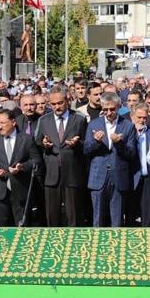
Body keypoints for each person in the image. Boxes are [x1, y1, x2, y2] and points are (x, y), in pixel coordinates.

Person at [35, 88, 88, 227]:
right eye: (53, 104)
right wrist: (44, 144)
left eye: (60, 103)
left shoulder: (79, 119)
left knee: (74, 215)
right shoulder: (44, 120)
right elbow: (37, 142)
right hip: (51, 174)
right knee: (52, 215)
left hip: (72, 173)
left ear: (67, 101)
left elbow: (87, 145)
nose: (57, 107)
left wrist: (78, 143)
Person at [83, 92, 137, 227]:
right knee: (98, 217)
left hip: (119, 175)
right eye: (105, 109)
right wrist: (96, 142)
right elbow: (86, 150)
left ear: (119, 107)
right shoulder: (94, 124)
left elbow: (131, 154)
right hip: (98, 176)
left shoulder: (128, 125)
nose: (108, 112)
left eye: (112, 109)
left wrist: (119, 143)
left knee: (117, 217)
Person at [0, 108, 42, 226]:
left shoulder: (26, 139)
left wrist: (22, 167)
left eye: (2, 123)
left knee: (22, 227)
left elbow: (37, 160)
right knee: (1, 227)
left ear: (13, 122)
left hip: (20, 189)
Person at [126, 102, 150, 227]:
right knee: (130, 212)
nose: (142, 120)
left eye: (145, 118)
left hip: (147, 178)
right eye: (139, 118)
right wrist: (135, 134)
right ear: (132, 117)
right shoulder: (126, 132)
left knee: (147, 213)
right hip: (131, 177)